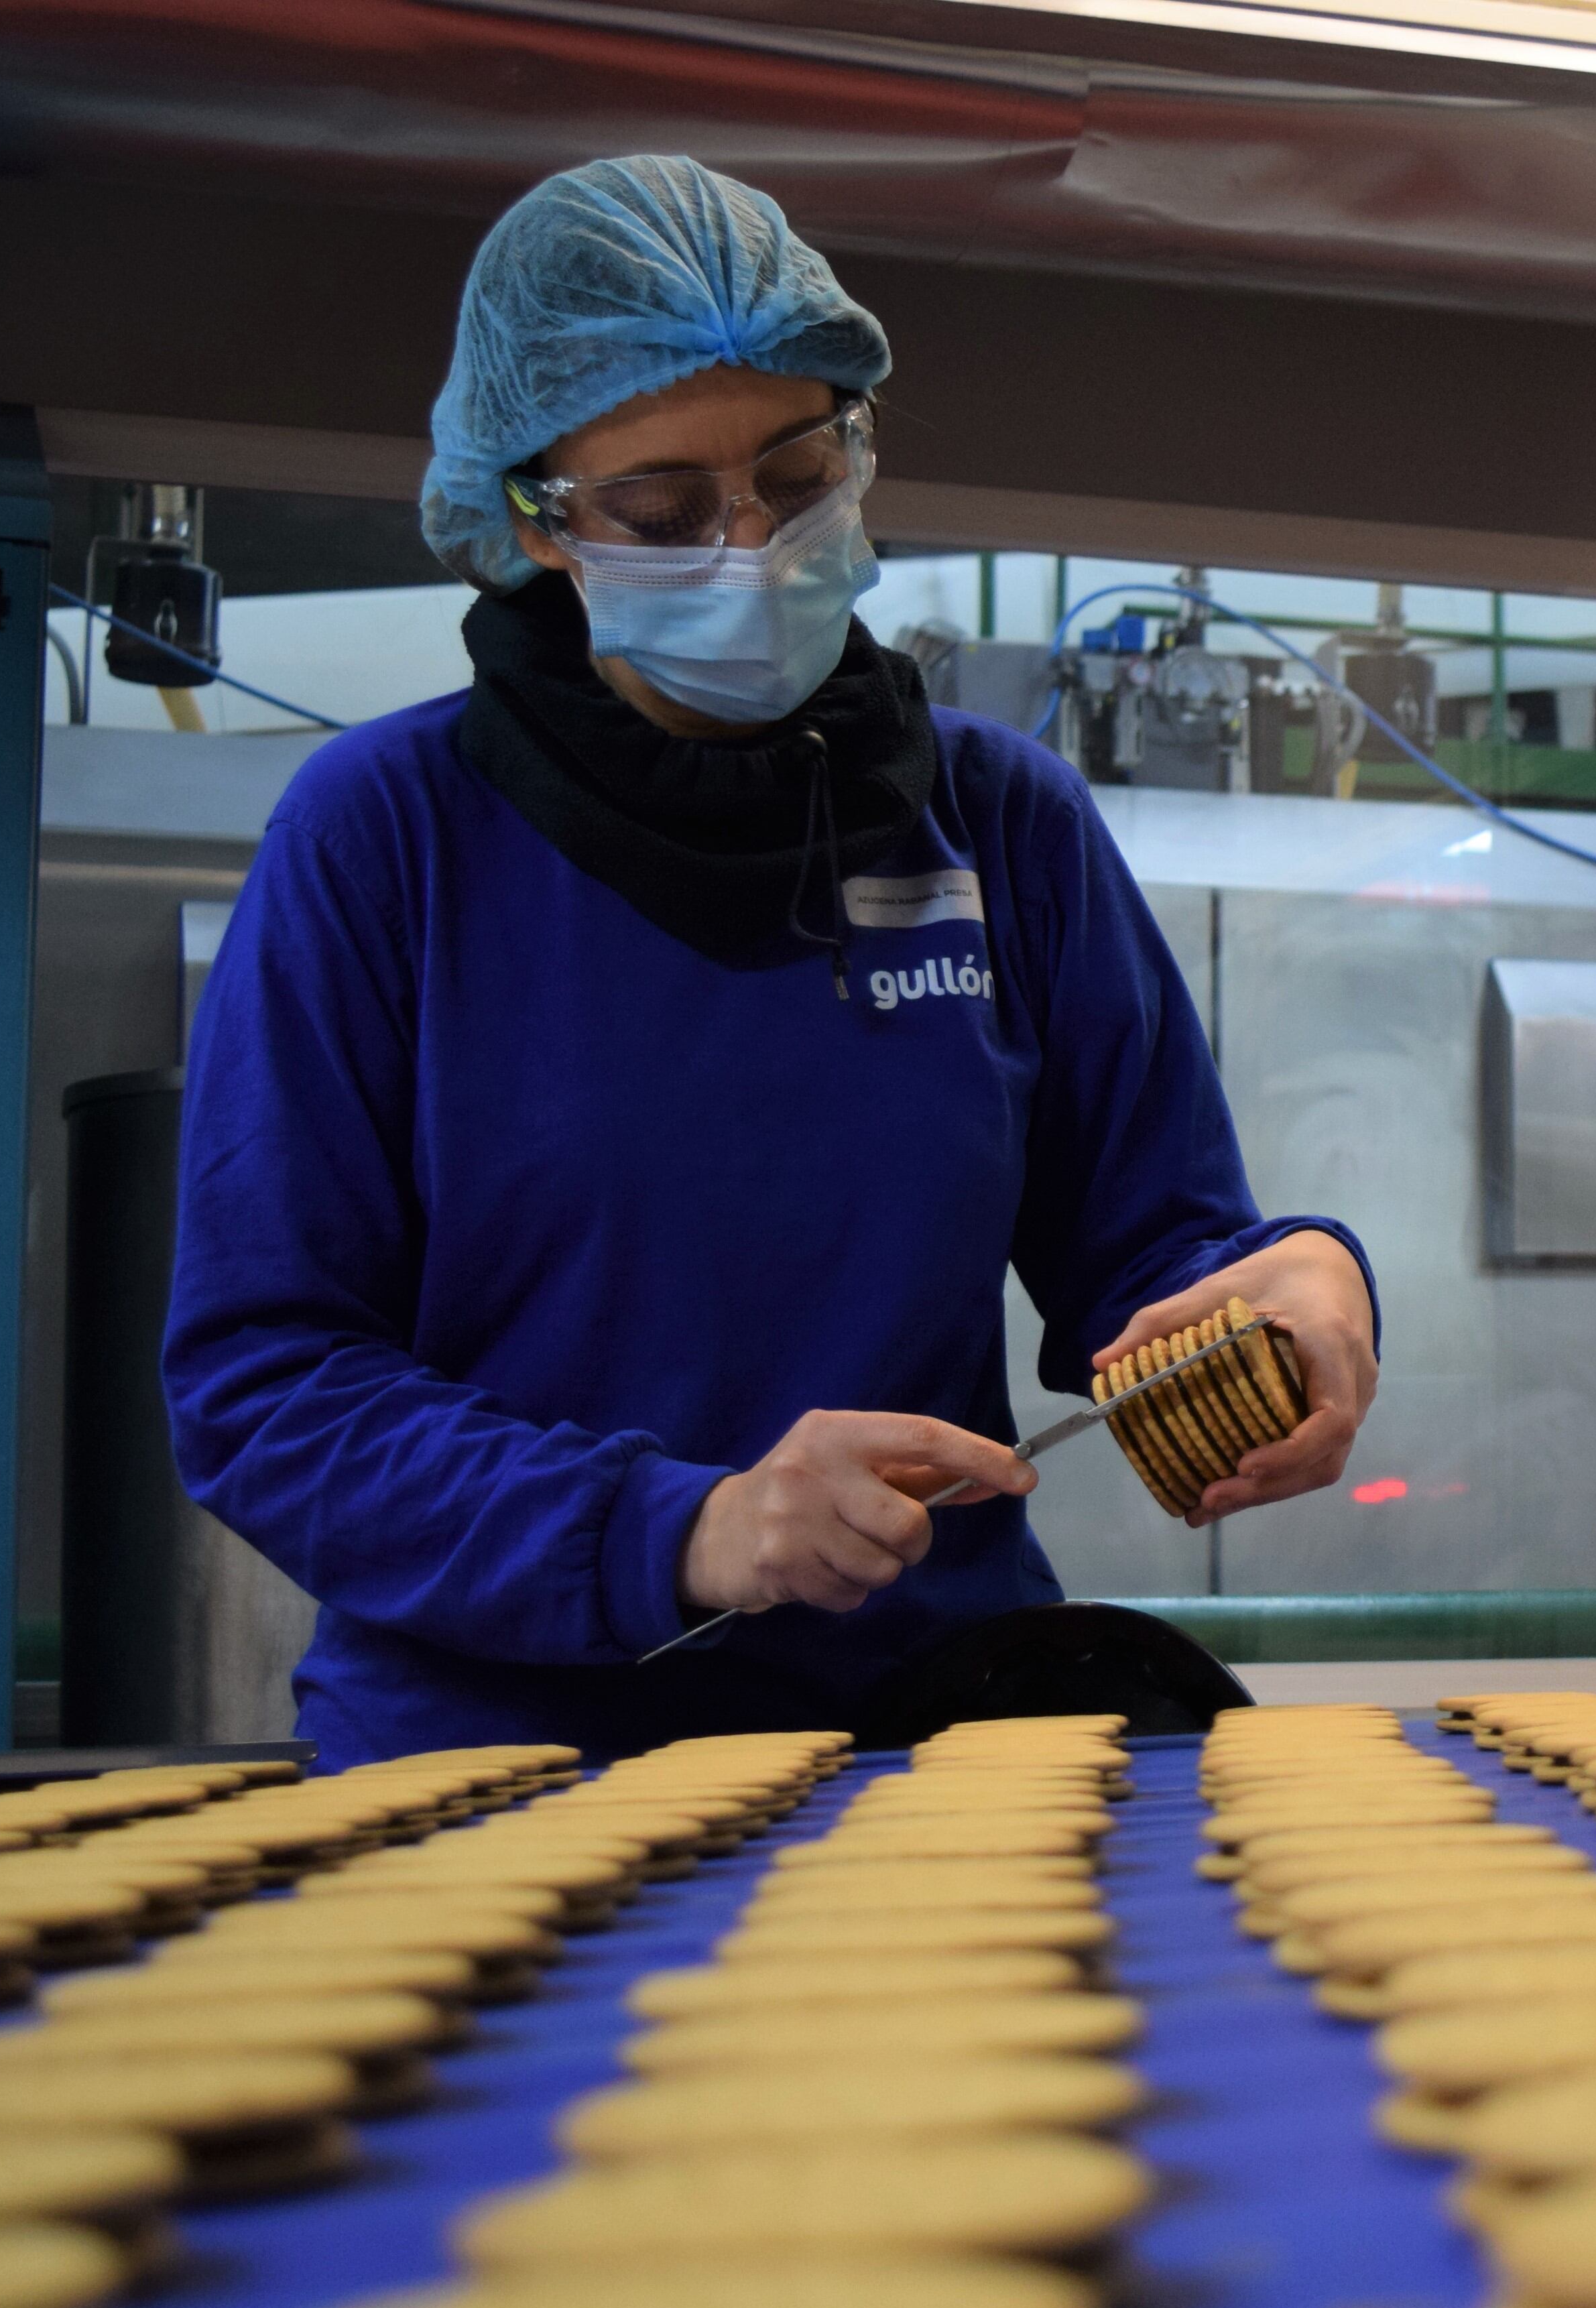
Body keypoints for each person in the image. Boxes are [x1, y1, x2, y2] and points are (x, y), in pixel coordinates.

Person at [164, 156, 1379, 1766]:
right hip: (504, 1770)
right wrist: (684, 1527)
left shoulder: (996, 820)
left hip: (934, 1749)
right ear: (537, 528)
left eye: (797, 476)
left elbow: (1153, 1259)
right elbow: (270, 1385)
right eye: (663, 513)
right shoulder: (387, 836)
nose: (747, 547)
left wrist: (1293, 1289)